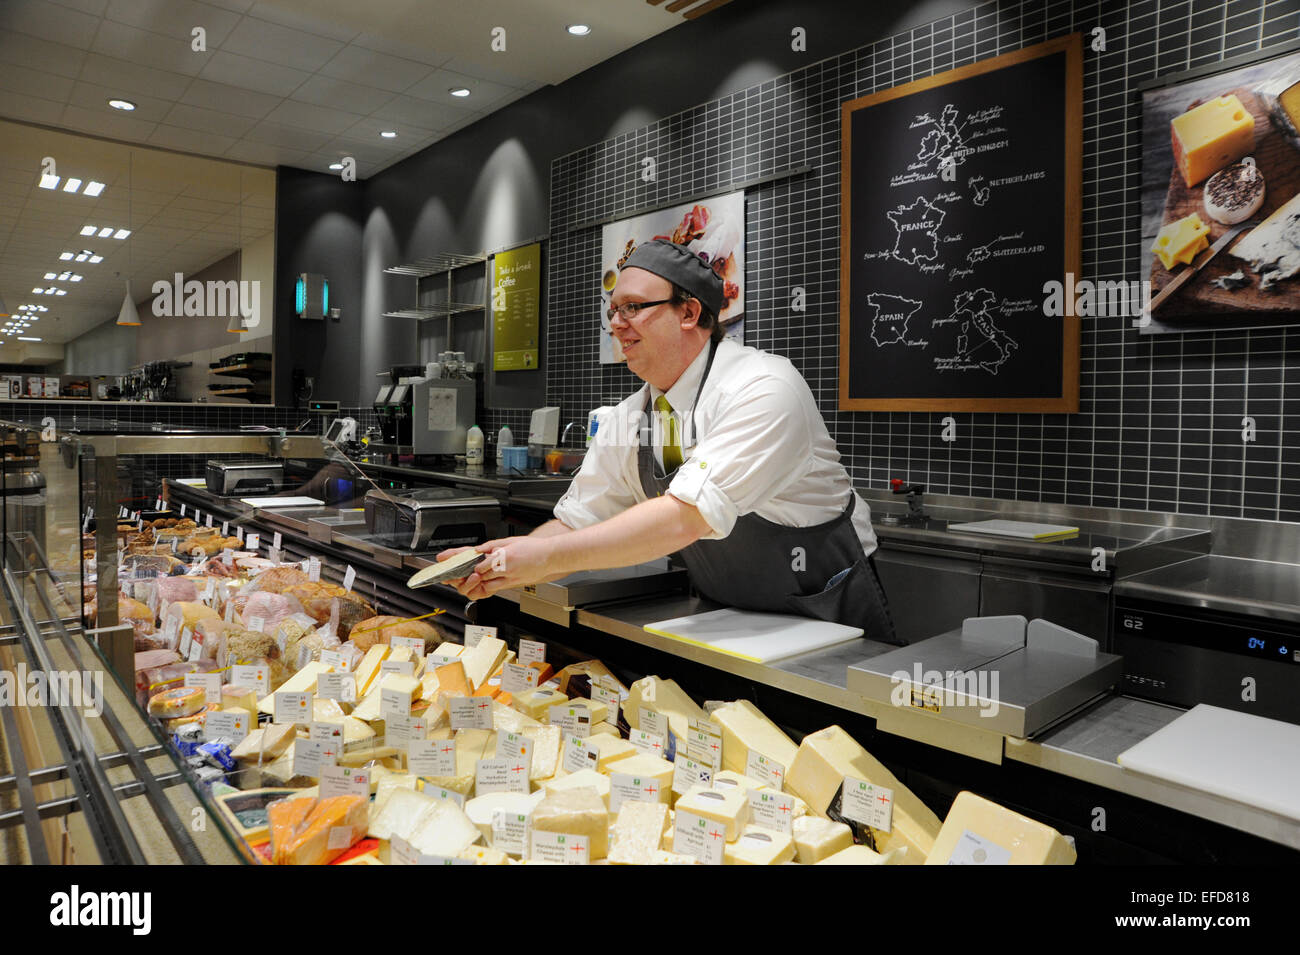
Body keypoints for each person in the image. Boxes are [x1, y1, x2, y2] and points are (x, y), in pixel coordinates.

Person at [443, 238, 897, 642]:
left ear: (689, 312)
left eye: (633, 307)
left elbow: (686, 517)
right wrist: (499, 560)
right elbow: (578, 522)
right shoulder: (629, 416)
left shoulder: (764, 387)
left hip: (831, 621)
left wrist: (540, 559)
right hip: (727, 622)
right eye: (613, 310)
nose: (617, 324)